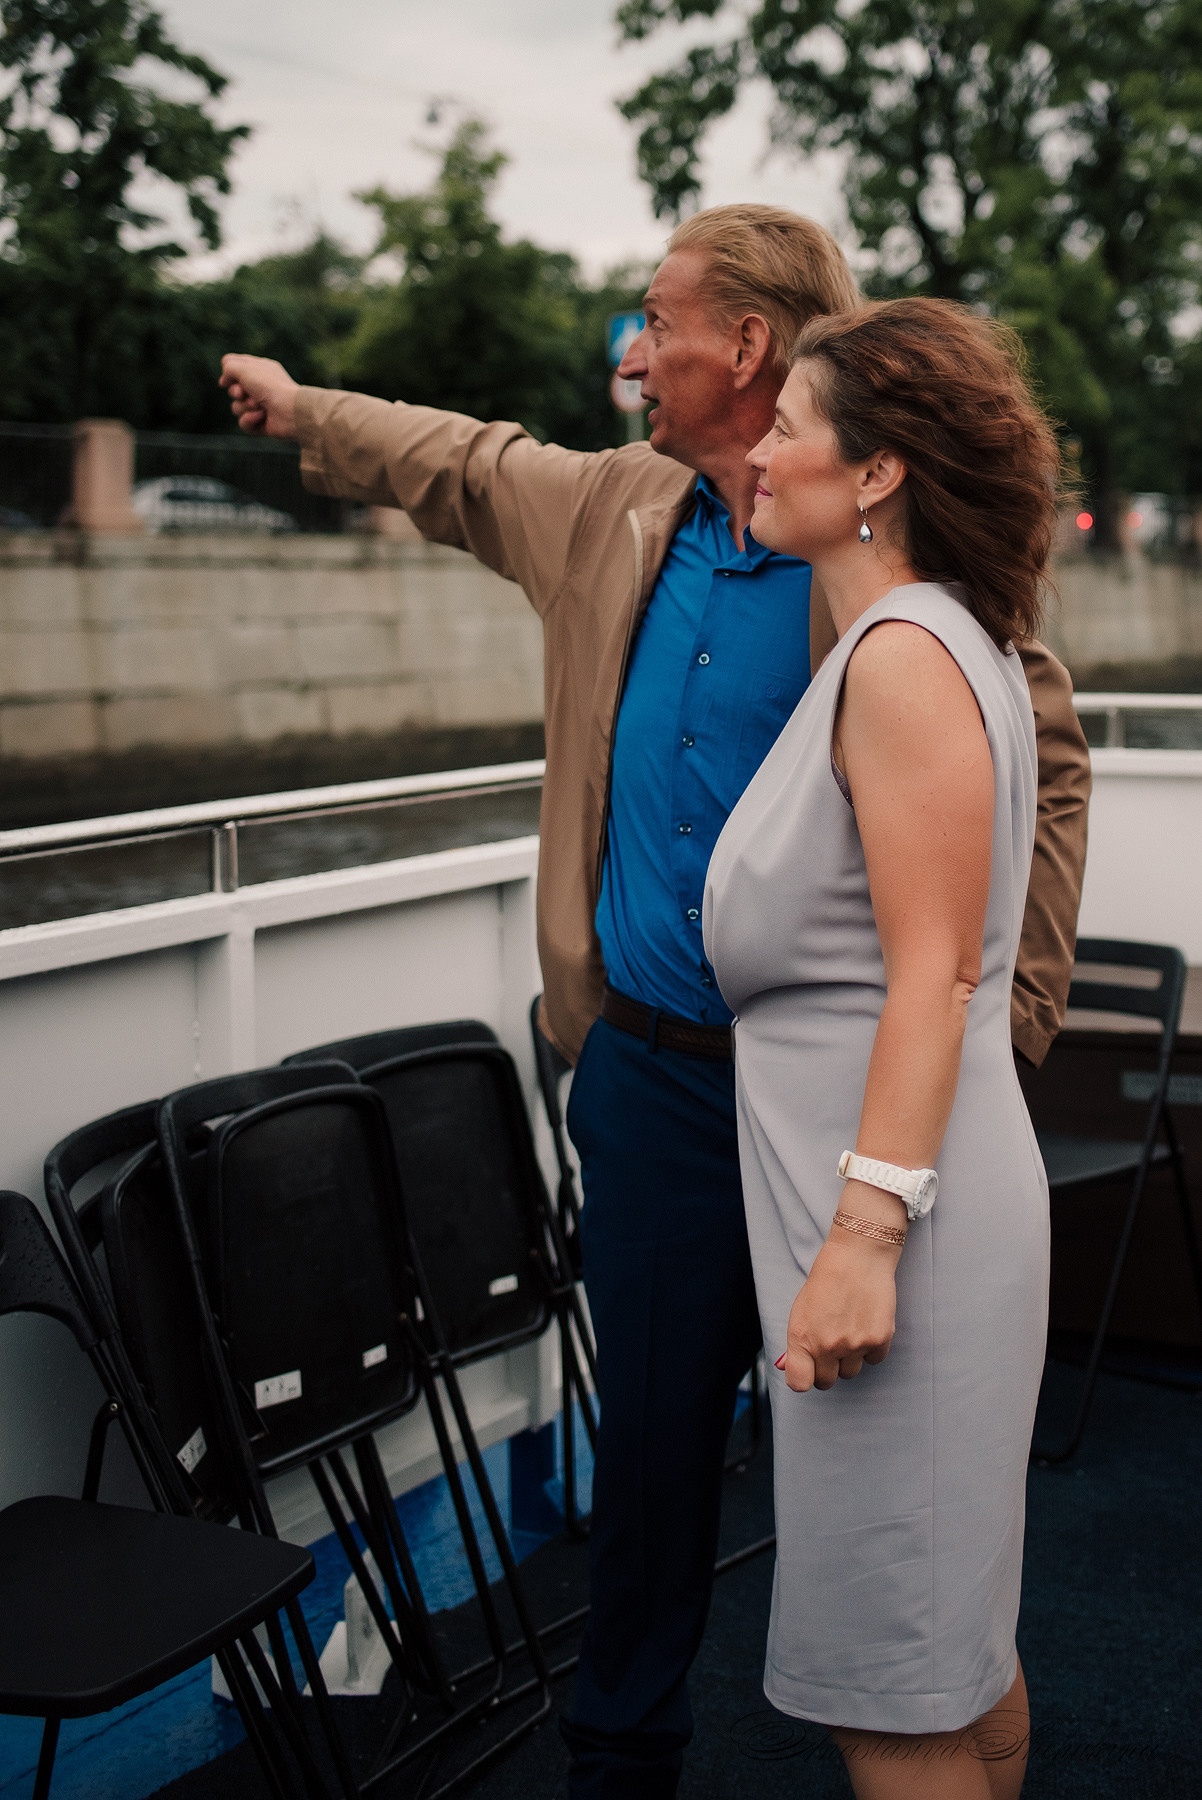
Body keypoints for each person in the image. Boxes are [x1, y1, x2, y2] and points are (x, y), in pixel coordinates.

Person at [219, 206, 1089, 1799]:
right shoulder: (626, 510)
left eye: (653, 316)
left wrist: (986, 1045)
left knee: (887, 1520)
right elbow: (464, 461)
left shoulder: (891, 593)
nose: (630, 347)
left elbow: (1030, 787)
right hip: (656, 1081)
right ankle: (623, 1757)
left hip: (845, 1114)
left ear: (742, 348)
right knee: (654, 1454)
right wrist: (303, 406)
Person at [705, 297, 1062, 1799]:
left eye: (786, 422)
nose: (756, 451)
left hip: (895, 1241)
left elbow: (932, 977)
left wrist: (859, 1243)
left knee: (895, 1699)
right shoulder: (921, 639)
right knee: (950, 1661)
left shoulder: (902, 657)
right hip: (903, 1215)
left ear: (874, 475)